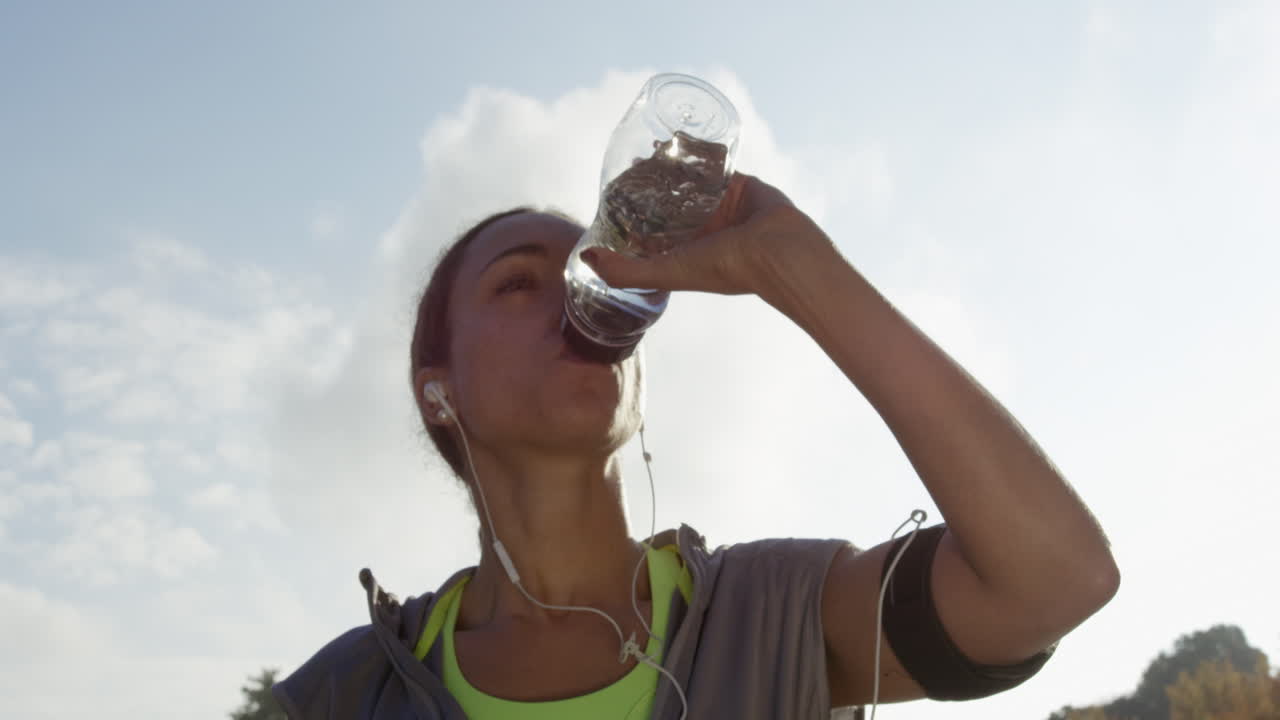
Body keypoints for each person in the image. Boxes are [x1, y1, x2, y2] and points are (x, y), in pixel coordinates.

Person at [273, 174, 1120, 719]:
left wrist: (798, 269)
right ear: (439, 390)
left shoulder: (772, 615)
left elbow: (1055, 581)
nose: (576, 299)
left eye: (594, 272)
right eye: (520, 282)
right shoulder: (344, 695)